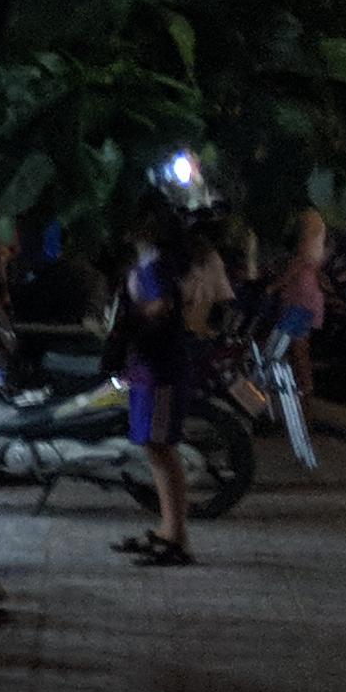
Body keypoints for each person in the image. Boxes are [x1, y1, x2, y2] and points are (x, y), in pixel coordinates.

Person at [114, 210, 199, 567]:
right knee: (156, 449)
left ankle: (177, 536)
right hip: (149, 367)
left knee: (162, 447)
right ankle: (169, 531)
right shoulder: (152, 263)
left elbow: (161, 306)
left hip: (160, 369)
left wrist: (131, 319)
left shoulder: (158, 266)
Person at [276, 207, 331, 413]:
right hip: (302, 294)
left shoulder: (308, 220)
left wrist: (276, 284)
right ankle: (301, 401)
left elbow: (302, 260)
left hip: (301, 295)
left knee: (297, 348)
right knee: (296, 349)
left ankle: (304, 403)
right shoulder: (315, 223)